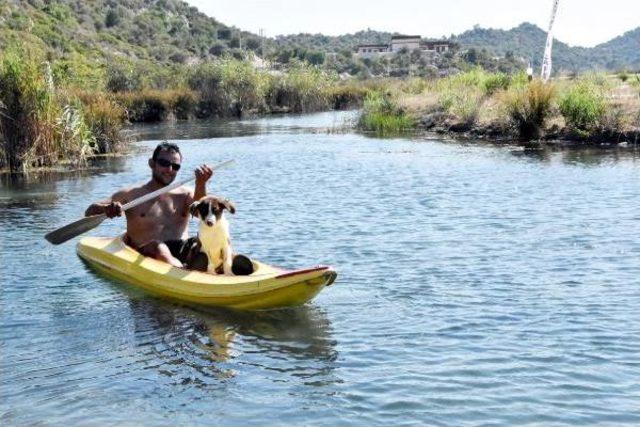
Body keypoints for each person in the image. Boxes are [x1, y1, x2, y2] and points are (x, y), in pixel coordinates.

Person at [85, 142, 212, 268]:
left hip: (181, 248)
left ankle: (226, 266)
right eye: (164, 163)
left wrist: (201, 184)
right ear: (152, 163)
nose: (170, 169)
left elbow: (202, 214)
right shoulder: (130, 194)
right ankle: (181, 271)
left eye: (175, 166)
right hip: (147, 251)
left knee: (204, 243)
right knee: (157, 247)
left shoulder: (186, 194)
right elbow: (90, 212)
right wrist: (107, 209)